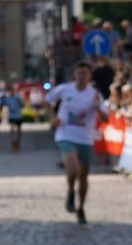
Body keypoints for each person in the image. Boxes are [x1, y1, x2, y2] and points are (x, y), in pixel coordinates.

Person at [45, 61, 106, 225]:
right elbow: (47, 100)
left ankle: (81, 208)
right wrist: (52, 117)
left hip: (85, 138)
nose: (81, 76)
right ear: (74, 74)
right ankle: (71, 191)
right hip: (65, 135)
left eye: (84, 73)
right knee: (74, 169)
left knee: (84, 176)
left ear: (89, 76)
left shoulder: (95, 95)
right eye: (79, 73)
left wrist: (97, 108)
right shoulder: (64, 89)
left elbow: (106, 118)